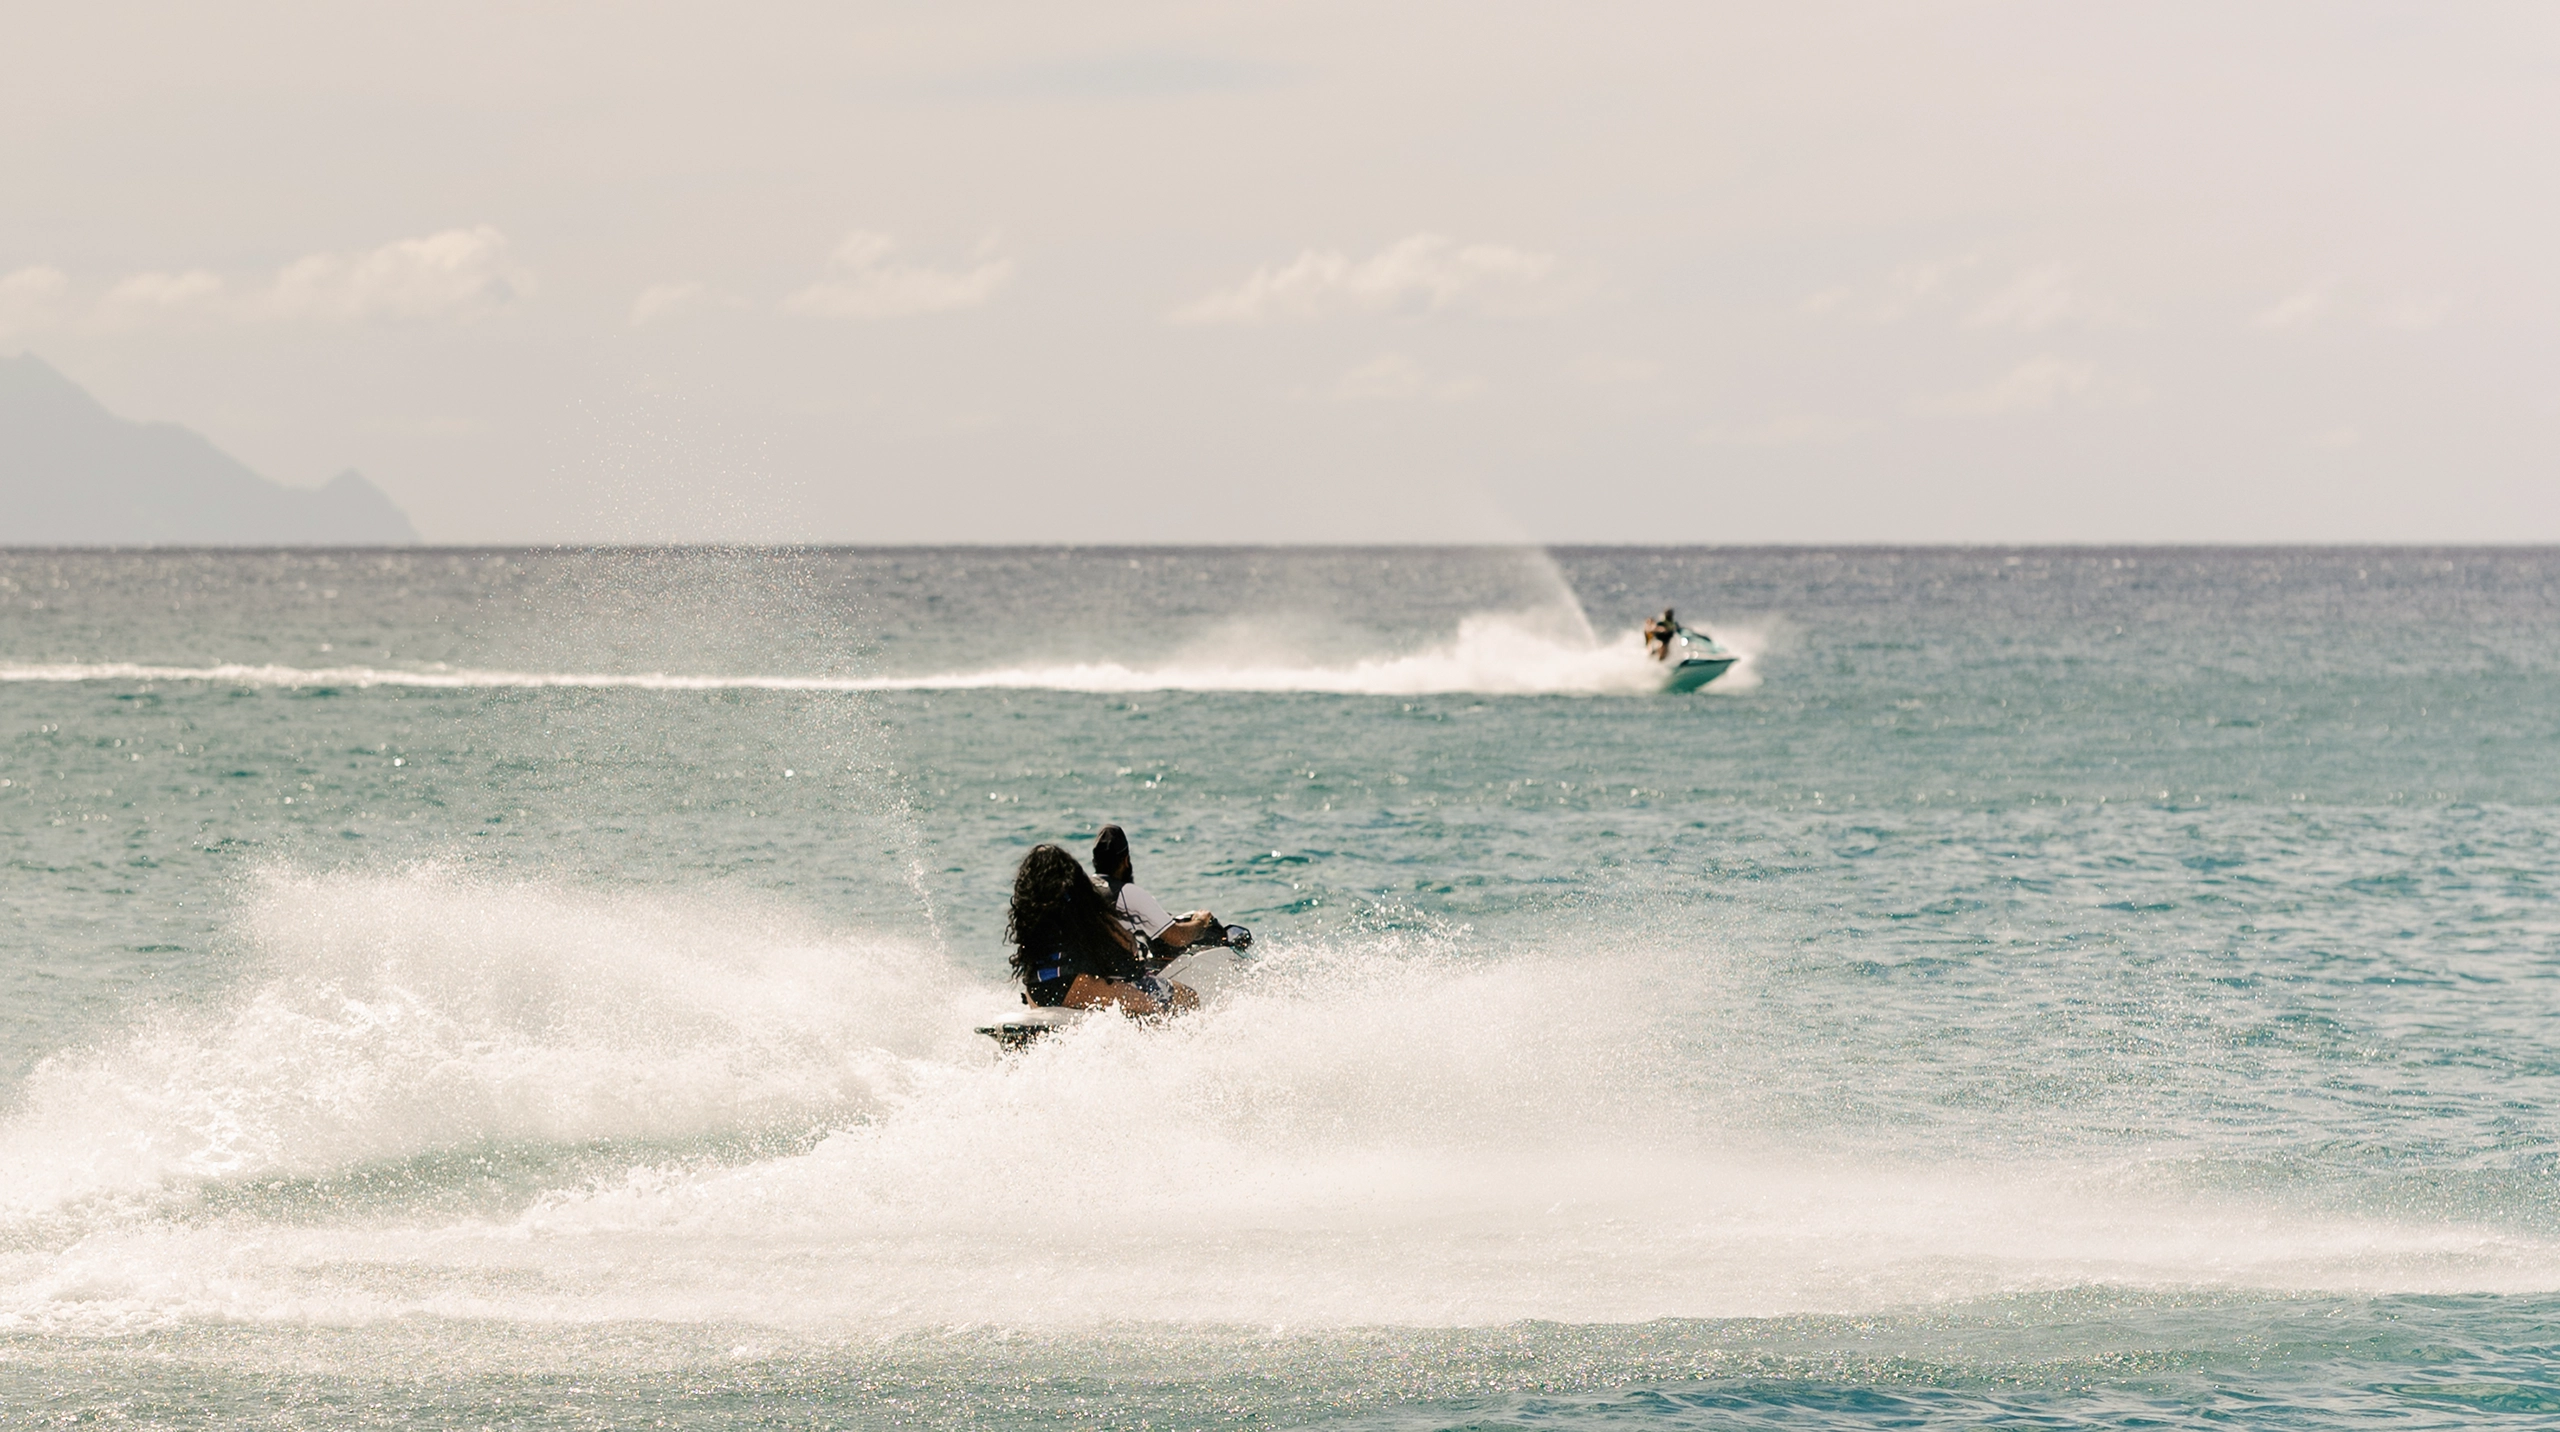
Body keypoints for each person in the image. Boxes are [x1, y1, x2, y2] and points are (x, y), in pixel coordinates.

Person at [1007, 843, 1197, 1016]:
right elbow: (1123, 940)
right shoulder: (1076, 899)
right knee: (1176, 1000)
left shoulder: (1030, 915)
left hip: (1035, 991)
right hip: (1074, 985)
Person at [1092, 824, 1222, 967]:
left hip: (1089, 972)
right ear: (1125, 861)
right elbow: (1177, 937)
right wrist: (1200, 921)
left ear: (1095, 861)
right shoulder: (1127, 893)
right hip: (1117, 977)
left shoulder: (1083, 888)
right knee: (1184, 985)